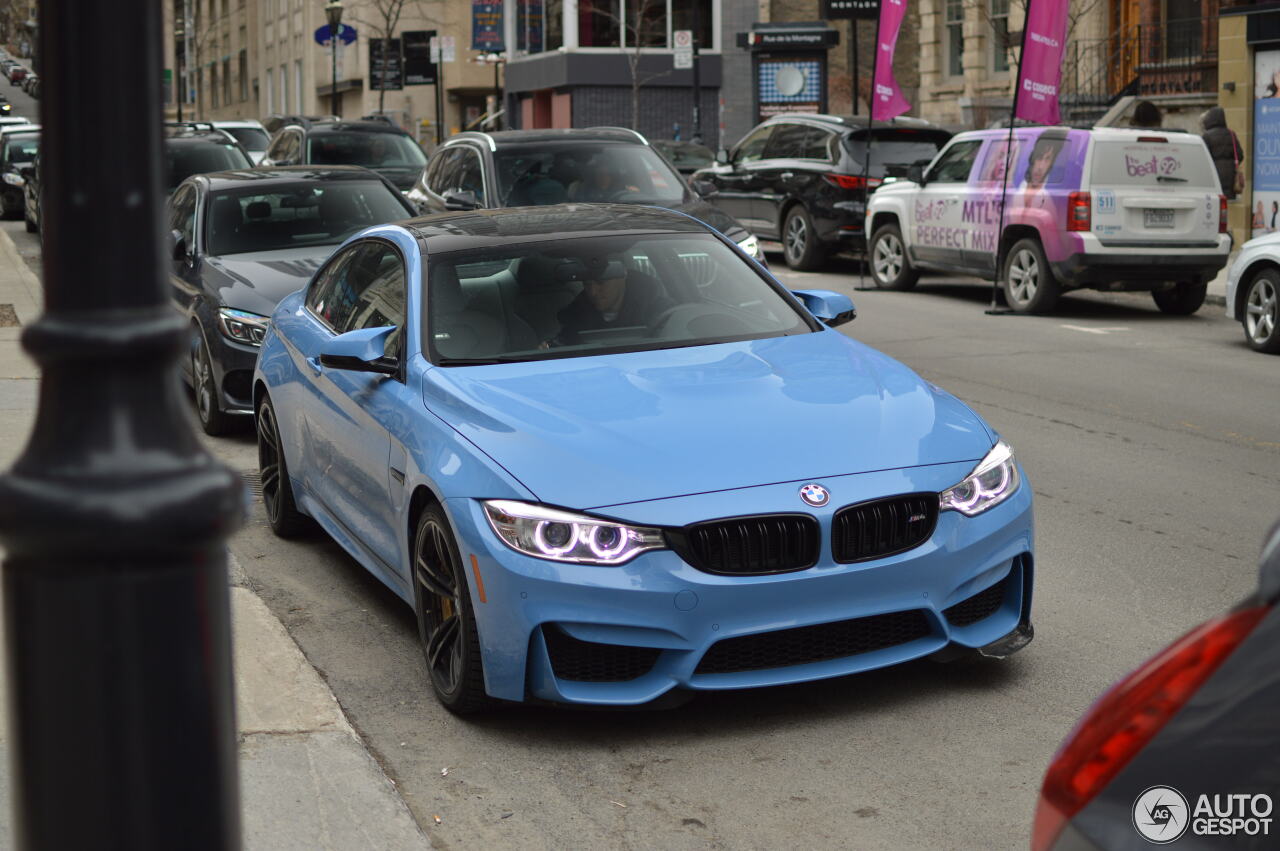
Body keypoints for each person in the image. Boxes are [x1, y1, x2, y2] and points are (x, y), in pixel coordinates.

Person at [547, 257, 674, 346]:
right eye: (587, 283)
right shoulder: (576, 313)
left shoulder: (659, 311)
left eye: (601, 282)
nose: (592, 292)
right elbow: (565, 344)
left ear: (623, 276)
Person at [1201, 106, 1243, 200]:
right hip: (1231, 176)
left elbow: (1204, 158)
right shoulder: (1231, 134)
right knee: (1230, 203)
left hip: (1214, 174)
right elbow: (1240, 155)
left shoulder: (1207, 136)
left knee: (1216, 202)